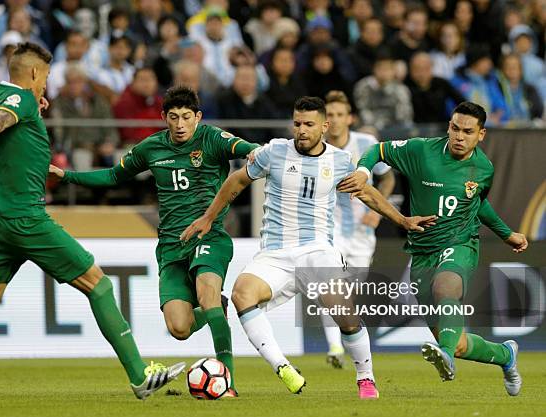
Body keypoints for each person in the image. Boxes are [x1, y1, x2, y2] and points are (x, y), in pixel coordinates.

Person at [0, 42, 185, 400]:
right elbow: (0, 119)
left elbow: (6, 113)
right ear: (34, 73)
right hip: (26, 218)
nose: (45, 87)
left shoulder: (2, 95)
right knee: (98, 285)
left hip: (1, 217)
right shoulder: (18, 100)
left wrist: (28, 111)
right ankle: (139, 374)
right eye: (46, 78)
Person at [180, 96, 435, 399]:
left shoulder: (339, 160)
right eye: (297, 123)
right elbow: (236, 181)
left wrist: (402, 220)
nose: (301, 130)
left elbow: (367, 194)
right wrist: (209, 217)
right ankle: (283, 368)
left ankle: (365, 377)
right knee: (241, 293)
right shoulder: (273, 151)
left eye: (309, 124)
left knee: (344, 312)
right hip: (274, 252)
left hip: (317, 250)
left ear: (325, 126)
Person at [50, 86, 262, 397]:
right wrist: (67, 176)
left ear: (197, 117)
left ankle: (227, 379)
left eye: (186, 117)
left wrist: (255, 150)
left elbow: (247, 147)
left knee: (206, 291)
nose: (179, 124)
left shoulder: (212, 138)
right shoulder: (151, 148)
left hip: (210, 235)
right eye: (173, 117)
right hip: (171, 246)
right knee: (179, 328)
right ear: (163, 117)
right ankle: (218, 307)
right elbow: (112, 176)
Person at [341, 101, 528, 396]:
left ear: (481, 135)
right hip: (422, 251)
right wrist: (364, 172)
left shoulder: (483, 169)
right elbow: (378, 150)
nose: (459, 136)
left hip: (460, 243)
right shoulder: (422, 151)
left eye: (467, 131)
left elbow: (476, 203)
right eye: (455, 128)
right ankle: (505, 355)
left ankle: (447, 359)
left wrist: (506, 234)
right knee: (459, 341)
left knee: (446, 288)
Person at [320, 90, 395, 368]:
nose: (335, 121)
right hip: (331, 227)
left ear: (350, 118)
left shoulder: (366, 143)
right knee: (330, 285)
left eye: (340, 115)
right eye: (330, 115)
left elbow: (387, 179)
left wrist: (378, 213)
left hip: (364, 232)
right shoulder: (318, 147)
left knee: (351, 293)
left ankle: (345, 341)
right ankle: (335, 347)